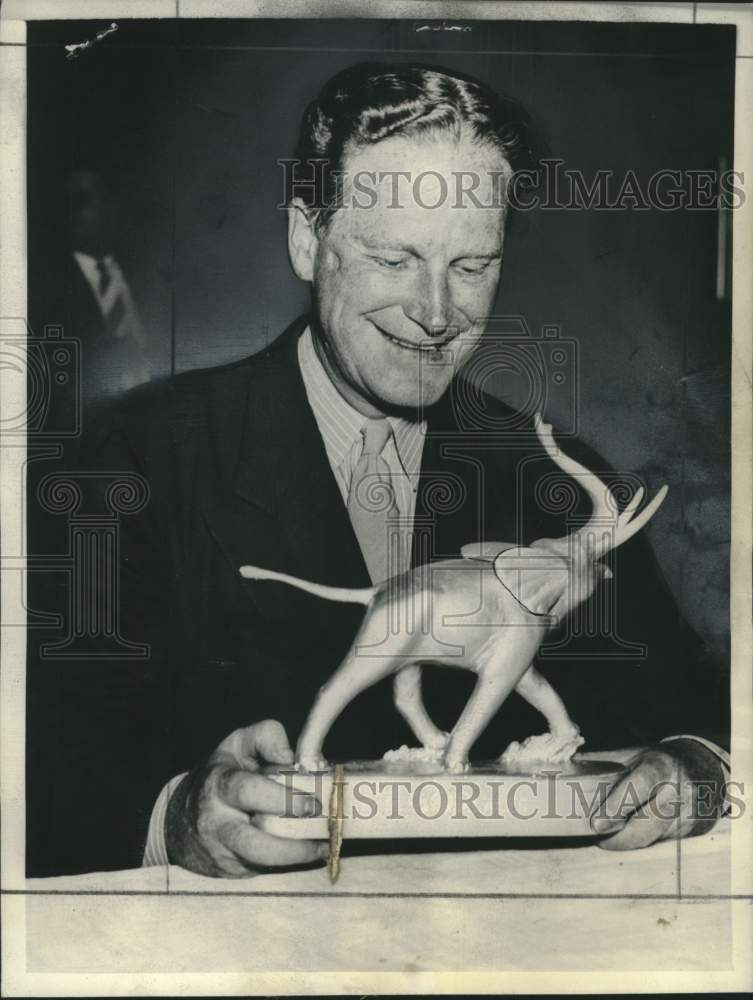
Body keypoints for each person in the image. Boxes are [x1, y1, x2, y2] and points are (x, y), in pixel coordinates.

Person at [26, 63, 729, 878]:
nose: (435, 313)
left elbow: (700, 720)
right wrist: (178, 818)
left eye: (471, 266)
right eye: (394, 259)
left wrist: (692, 774)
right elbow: (45, 773)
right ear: (306, 239)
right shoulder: (133, 463)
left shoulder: (554, 485)